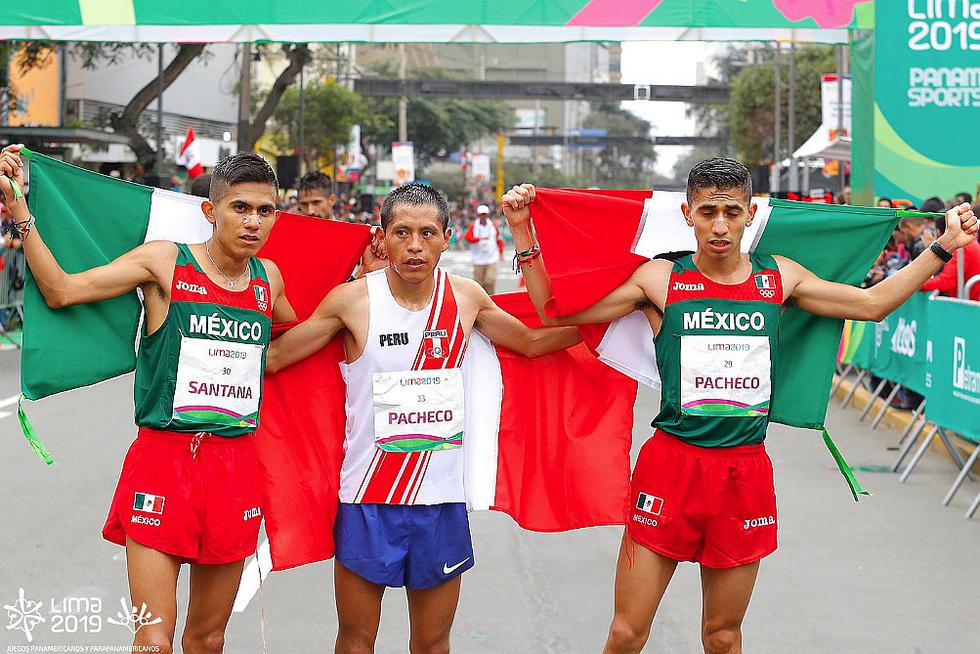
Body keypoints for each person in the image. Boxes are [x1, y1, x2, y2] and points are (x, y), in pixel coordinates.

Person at [500, 158, 978, 654]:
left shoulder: (779, 278)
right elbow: (557, 311)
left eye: (732, 211)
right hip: (669, 467)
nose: (721, 225)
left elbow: (872, 304)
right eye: (708, 212)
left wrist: (942, 248)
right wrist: (521, 229)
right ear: (688, 214)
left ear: (751, 214)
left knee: (723, 637)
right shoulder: (660, 280)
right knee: (625, 633)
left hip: (742, 475)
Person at [0, 145, 296, 654]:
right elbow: (64, 292)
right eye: (240, 208)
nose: (253, 222)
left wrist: (363, 282)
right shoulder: (165, 260)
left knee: (207, 638)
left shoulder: (268, 279)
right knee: (154, 639)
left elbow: (292, 342)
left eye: (265, 211)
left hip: (234, 467)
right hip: (164, 463)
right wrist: (20, 213)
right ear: (211, 211)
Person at [265, 183, 580, 654]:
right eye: (402, 233)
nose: (415, 245)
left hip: (440, 502)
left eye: (428, 233)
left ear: (446, 239)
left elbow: (532, 343)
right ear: (383, 237)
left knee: (432, 643)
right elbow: (273, 359)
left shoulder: (466, 297)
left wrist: (612, 319)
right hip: (367, 499)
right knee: (355, 640)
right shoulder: (352, 300)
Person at [921, 211, 980, 301]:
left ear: (938, 232)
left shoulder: (962, 247)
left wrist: (917, 284)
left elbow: (947, 281)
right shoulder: (967, 244)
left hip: (970, 307)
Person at [464, 204, 504, 294]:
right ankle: (480, 301)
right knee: (478, 284)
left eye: (485, 214)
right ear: (478, 215)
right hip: (478, 259)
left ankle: (490, 300)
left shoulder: (493, 226)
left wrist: (501, 252)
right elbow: (467, 237)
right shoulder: (473, 226)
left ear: (487, 215)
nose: (483, 216)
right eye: (481, 214)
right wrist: (478, 239)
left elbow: (499, 239)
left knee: (490, 280)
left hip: (491, 257)